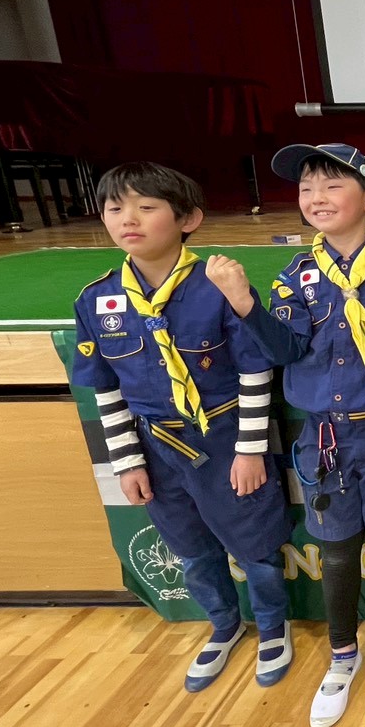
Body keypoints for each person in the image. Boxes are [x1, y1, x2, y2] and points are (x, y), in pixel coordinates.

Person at [207, 143, 365, 727]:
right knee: (336, 549)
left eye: (332, 184)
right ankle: (343, 654)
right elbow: (286, 349)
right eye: (307, 187)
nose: (316, 197)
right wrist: (245, 304)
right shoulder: (298, 275)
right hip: (325, 436)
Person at [71, 162, 293, 692]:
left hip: (224, 437)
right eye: (115, 208)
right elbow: (105, 388)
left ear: (188, 218)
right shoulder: (95, 299)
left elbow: (255, 371)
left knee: (255, 545)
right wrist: (127, 462)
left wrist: (249, 450)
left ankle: (272, 628)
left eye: (146, 207)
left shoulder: (218, 287)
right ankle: (223, 625)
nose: (128, 219)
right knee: (191, 548)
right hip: (155, 446)